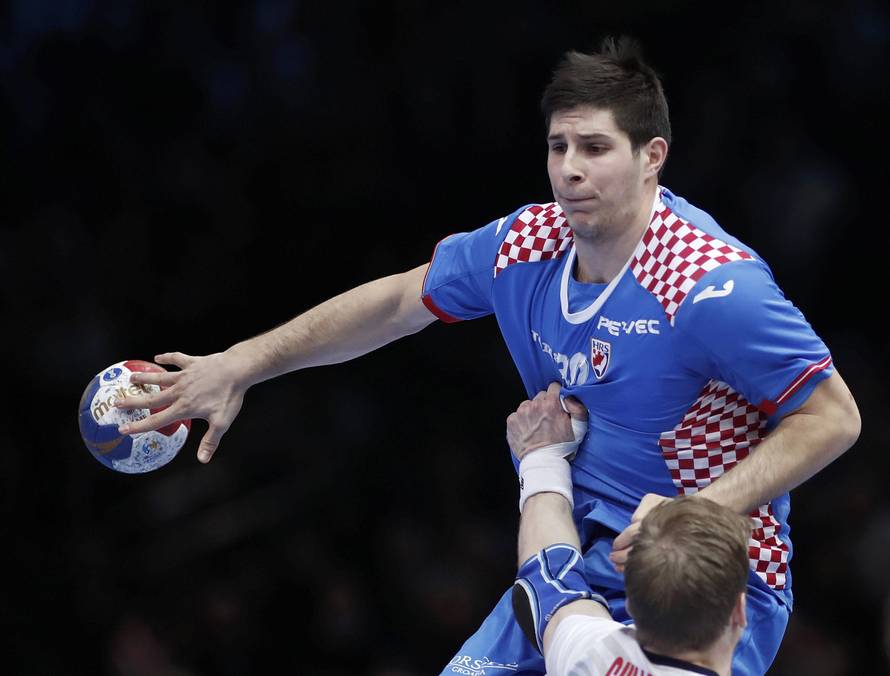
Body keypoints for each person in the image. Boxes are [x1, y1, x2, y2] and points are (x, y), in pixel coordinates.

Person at [114, 37, 861, 675]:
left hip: (699, 588)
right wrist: (241, 362)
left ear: (651, 157)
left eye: (595, 148)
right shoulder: (526, 245)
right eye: (558, 146)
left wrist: (696, 513)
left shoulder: (709, 286)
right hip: (569, 555)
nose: (569, 170)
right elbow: (397, 302)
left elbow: (833, 418)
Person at [508, 383, 749, 676]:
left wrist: (541, 456)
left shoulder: (592, 656)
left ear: (630, 605)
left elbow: (546, 577)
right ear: (740, 610)